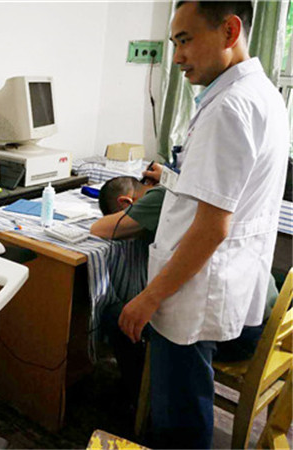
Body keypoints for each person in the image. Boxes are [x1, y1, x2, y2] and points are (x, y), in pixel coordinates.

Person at [116, 2, 290, 448]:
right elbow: (229, 190)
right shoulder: (262, 93)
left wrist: (149, 298)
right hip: (230, 284)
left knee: (182, 425)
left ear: (229, 30)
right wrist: (173, 178)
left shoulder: (227, 108)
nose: (176, 57)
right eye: (174, 43)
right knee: (183, 407)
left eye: (185, 40)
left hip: (195, 293)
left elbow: (213, 227)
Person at [90, 175, 278, 409]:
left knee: (119, 315)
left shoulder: (160, 198)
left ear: (126, 203)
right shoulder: (187, 189)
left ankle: (141, 400)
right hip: (262, 320)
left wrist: (148, 299)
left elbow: (100, 228)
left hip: (236, 334)